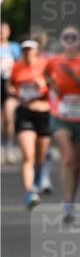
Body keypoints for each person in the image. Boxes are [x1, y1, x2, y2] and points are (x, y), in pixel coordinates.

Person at [44, 26, 80, 223]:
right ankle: (67, 204)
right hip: (61, 116)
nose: (69, 40)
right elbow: (45, 75)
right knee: (68, 159)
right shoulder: (54, 60)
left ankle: (71, 199)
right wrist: (52, 85)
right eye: (66, 37)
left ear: (79, 41)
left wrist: (74, 76)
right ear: (61, 41)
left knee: (77, 166)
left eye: (73, 37)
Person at [7, 39, 51, 208]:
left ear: (37, 51)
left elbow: (55, 85)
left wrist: (44, 87)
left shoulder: (45, 65)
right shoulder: (17, 66)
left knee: (40, 156)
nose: (27, 52)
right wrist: (14, 91)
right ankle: (29, 193)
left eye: (30, 49)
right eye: (24, 49)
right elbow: (10, 85)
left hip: (43, 112)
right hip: (25, 112)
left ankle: (37, 180)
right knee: (28, 155)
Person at [31, 26, 55, 193]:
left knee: (46, 143)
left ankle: (44, 178)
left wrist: (47, 81)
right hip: (29, 106)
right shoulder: (25, 59)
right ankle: (36, 177)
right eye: (36, 41)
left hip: (48, 105)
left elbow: (55, 81)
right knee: (33, 144)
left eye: (41, 41)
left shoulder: (49, 59)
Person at [1, 21, 22, 164]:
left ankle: (9, 147)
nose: (2, 33)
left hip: (10, 85)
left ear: (9, 32)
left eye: (4, 30)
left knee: (9, 117)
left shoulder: (14, 47)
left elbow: (21, 65)